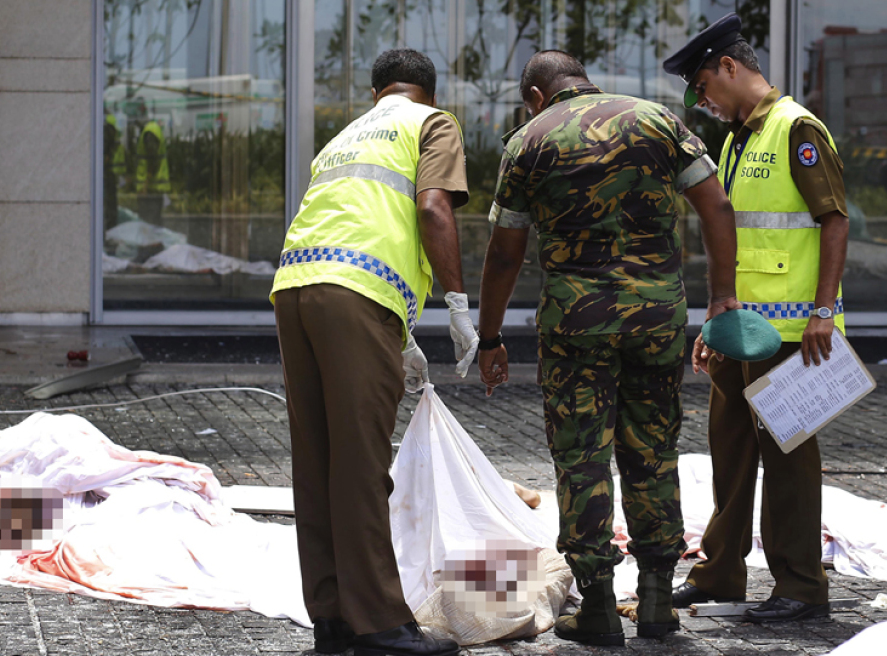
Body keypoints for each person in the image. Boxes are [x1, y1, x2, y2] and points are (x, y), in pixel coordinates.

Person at [476, 51, 739, 646]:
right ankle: (655, 602)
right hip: (657, 320)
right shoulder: (659, 121)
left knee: (582, 460)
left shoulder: (529, 140)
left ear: (537, 97)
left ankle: (596, 608)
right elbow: (716, 207)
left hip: (577, 327)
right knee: (654, 450)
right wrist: (722, 296)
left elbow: (504, 253)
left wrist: (490, 337)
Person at [271, 48, 477, 656]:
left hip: (295, 290)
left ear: (377, 93)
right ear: (428, 94)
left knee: (319, 458)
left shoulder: (345, 135)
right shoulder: (432, 124)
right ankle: (381, 623)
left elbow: (355, 225)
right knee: (361, 461)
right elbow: (433, 208)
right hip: (353, 298)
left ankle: (332, 615)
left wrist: (402, 331)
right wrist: (458, 304)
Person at [663, 13, 849, 622]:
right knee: (731, 449)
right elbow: (739, 241)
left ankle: (801, 587)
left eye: (704, 87)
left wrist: (823, 310)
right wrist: (716, 324)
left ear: (729, 67)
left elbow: (834, 221)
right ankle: (720, 574)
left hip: (796, 334)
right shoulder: (740, 136)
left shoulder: (797, 128)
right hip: (743, 331)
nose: (704, 102)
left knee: (789, 459)